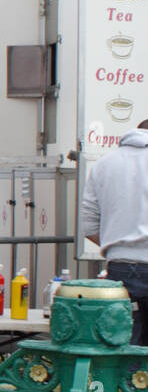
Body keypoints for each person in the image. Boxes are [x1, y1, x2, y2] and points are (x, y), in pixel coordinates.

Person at [79, 118, 148, 344]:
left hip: (121, 271)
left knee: (124, 349)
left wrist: (119, 245)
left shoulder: (104, 164)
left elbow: (88, 226)